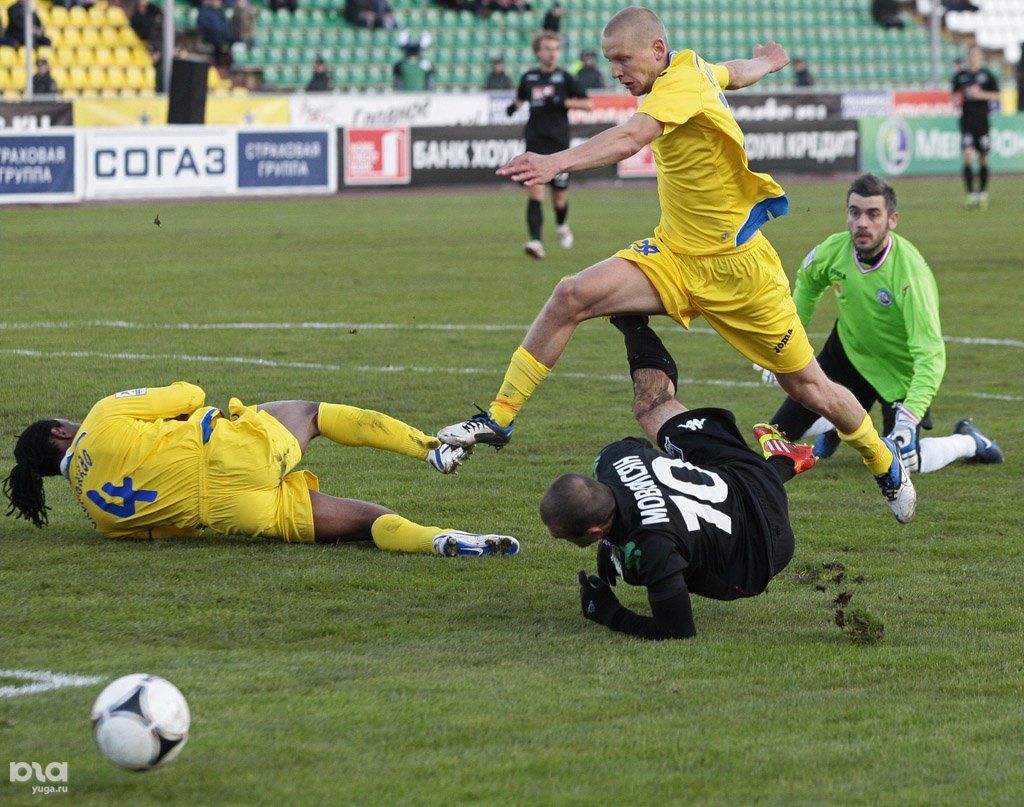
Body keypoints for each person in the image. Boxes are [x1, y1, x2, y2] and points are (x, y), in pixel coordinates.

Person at [439, 6, 916, 525]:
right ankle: (500, 418)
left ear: (657, 50)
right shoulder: (693, 68)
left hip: (741, 275)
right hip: (674, 256)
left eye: (623, 60)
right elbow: (733, 73)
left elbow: (630, 138)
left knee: (808, 387)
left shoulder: (678, 85)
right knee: (571, 295)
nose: (615, 71)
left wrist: (554, 162)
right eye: (609, 60)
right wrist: (767, 63)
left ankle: (883, 460)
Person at [3, 382, 519, 557]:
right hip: (232, 453)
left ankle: (439, 540)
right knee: (310, 414)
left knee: (366, 522)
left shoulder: (100, 518)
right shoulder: (100, 417)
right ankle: (432, 450)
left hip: (233, 513)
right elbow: (189, 394)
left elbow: (176, 531)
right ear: (60, 433)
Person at [541, 316, 815, 639]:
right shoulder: (612, 458)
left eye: (563, 536)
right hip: (744, 474)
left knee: (635, 566)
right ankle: (634, 326)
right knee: (652, 406)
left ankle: (632, 322)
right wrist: (615, 536)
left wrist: (607, 612)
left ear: (595, 530)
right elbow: (647, 466)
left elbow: (678, 629)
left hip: (763, 550)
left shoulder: (652, 546)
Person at [761, 173, 1003, 472]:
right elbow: (807, 285)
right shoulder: (833, 251)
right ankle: (838, 422)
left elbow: (930, 353)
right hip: (847, 355)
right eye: (855, 213)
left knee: (905, 462)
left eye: (873, 214)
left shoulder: (911, 274)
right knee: (776, 437)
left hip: (897, 374)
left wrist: (910, 415)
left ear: (892, 220)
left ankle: (970, 441)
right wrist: (783, 343)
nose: (862, 223)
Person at [506, 31, 593, 260]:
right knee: (535, 194)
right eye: (547, 48)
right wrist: (512, 108)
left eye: (555, 48)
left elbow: (588, 104)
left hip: (559, 146)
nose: (552, 53)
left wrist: (563, 102)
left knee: (559, 199)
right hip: (535, 142)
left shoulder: (565, 78)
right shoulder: (529, 78)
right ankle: (536, 241)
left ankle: (562, 224)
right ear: (538, 52)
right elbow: (519, 100)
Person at [952, 45, 1000, 209]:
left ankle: (983, 192)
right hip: (967, 121)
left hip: (982, 121)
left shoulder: (987, 75)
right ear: (968, 56)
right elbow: (954, 95)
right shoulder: (961, 76)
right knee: (967, 155)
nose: (973, 57)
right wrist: (956, 101)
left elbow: (997, 95)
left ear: (980, 56)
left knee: (983, 157)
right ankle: (971, 194)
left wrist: (980, 95)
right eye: (971, 54)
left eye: (976, 54)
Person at [197, 0, 232, 66]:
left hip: (222, 42)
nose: (218, 2)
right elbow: (202, 25)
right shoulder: (205, 11)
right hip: (210, 41)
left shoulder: (220, 12)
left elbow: (226, 26)